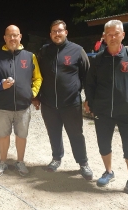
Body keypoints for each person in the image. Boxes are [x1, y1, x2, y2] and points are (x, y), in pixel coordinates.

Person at [85, 20, 128, 202]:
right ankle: (108, 171)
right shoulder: (97, 60)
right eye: (109, 34)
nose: (112, 37)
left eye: (116, 33)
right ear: (104, 36)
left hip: (127, 112)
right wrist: (91, 101)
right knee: (104, 144)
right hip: (103, 112)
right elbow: (90, 84)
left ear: (123, 35)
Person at [34, 20, 93, 180]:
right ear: (50, 34)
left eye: (60, 30)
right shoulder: (44, 51)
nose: (57, 34)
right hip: (48, 103)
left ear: (66, 32)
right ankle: (56, 158)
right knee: (53, 132)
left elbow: (87, 76)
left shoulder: (77, 50)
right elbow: (37, 75)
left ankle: (83, 163)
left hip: (71, 103)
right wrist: (36, 96)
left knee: (76, 134)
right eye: (54, 31)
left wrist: (89, 98)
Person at [0, 25, 42, 177]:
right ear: (4, 38)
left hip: (23, 106)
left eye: (15, 35)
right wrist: (0, 85)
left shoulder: (30, 56)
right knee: (3, 135)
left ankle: (20, 162)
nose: (12, 38)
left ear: (20, 37)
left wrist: (32, 93)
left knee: (21, 136)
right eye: (9, 35)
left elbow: (38, 78)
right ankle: (2, 162)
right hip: (3, 106)